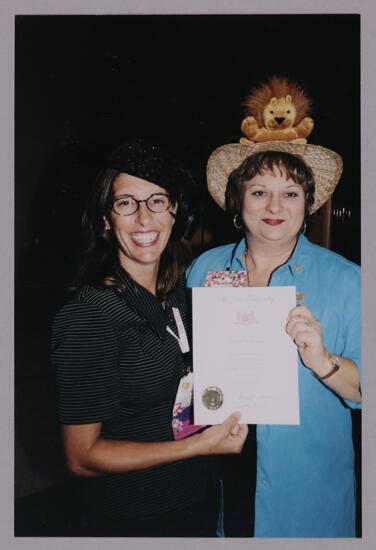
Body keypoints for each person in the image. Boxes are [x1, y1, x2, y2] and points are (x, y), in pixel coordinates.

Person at [51, 141, 248, 537]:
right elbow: (83, 457)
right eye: (126, 202)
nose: (144, 218)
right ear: (106, 218)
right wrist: (199, 446)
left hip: (199, 496)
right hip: (134, 517)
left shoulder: (181, 290)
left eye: (157, 201)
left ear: (175, 212)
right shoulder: (89, 316)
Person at [186, 141, 361, 537]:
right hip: (222, 479)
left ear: (307, 204)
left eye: (290, 194)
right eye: (260, 192)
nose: (275, 207)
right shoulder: (203, 270)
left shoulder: (349, 280)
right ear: (238, 200)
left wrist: (323, 361)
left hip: (307, 493)